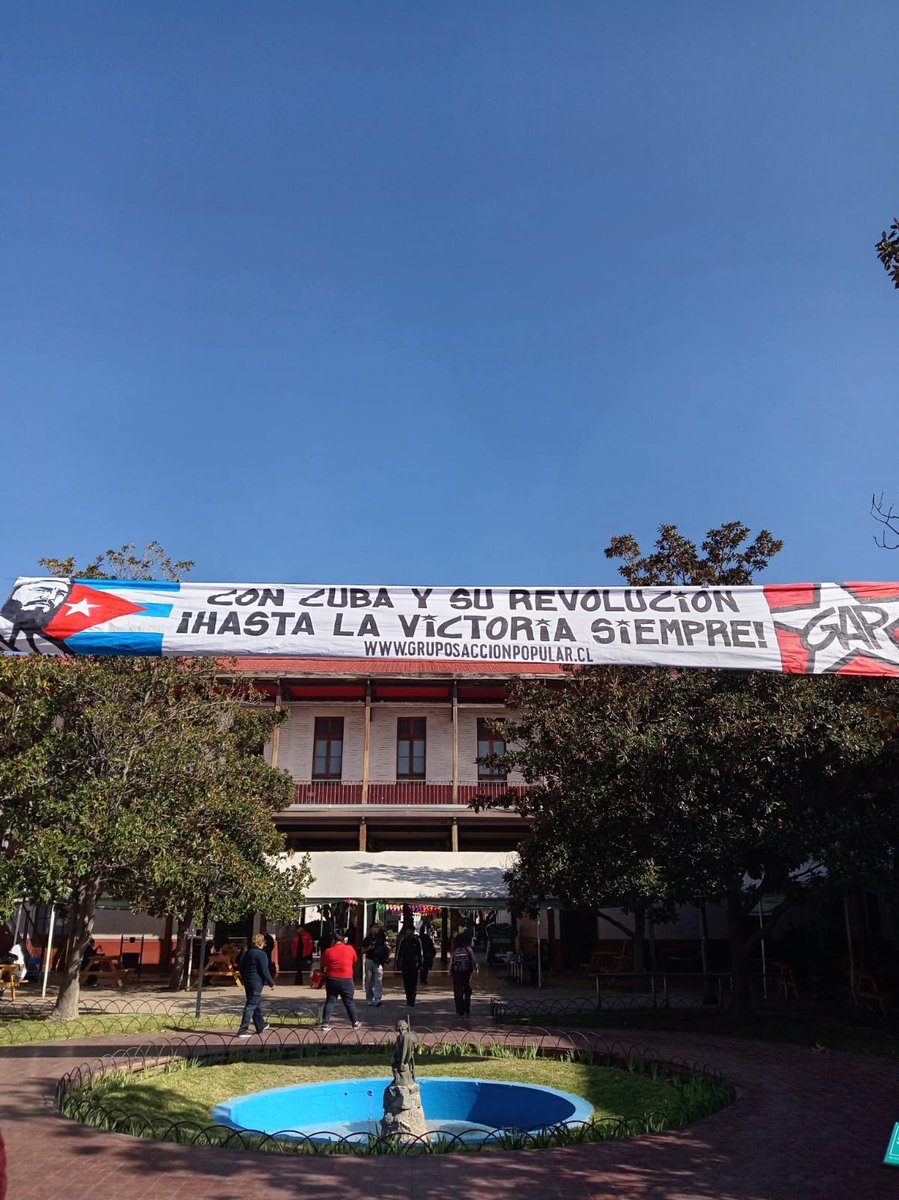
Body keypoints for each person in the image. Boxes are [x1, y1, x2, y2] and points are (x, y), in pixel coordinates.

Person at [320, 929, 361, 1031]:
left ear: (333, 940)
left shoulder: (328, 951)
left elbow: (323, 964)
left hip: (332, 979)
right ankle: (355, 1023)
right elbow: (355, 960)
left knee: (330, 1001)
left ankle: (325, 1023)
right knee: (349, 1001)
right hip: (347, 979)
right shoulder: (350, 949)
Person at [236, 933, 275, 1038]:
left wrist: (244, 978)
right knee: (251, 1005)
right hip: (256, 982)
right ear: (261, 943)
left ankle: (260, 1026)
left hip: (247, 981)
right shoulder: (262, 954)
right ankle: (243, 1030)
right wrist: (271, 983)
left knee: (255, 1004)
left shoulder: (247, 953)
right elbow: (265, 970)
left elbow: (241, 967)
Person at [362, 923, 390, 1006]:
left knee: (378, 980)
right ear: (371, 929)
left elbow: (386, 948)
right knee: (369, 981)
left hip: (378, 961)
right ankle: (369, 999)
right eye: (374, 927)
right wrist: (369, 948)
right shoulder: (367, 939)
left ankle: (378, 998)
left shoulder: (382, 938)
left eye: (377, 927)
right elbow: (362, 951)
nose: (376, 929)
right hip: (370, 960)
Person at [395, 926, 423, 1008]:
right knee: (406, 982)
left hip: (414, 965)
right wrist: (397, 963)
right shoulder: (403, 940)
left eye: (410, 930)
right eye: (407, 930)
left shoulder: (417, 940)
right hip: (405, 964)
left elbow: (420, 953)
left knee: (413, 983)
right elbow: (399, 952)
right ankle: (408, 998)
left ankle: (412, 1000)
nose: (408, 932)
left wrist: (420, 964)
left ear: (413, 931)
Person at [450, 933, 477, 1017]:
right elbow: (474, 959)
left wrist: (449, 971)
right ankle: (467, 1007)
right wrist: (475, 968)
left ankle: (459, 1009)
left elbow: (451, 961)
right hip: (467, 972)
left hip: (457, 973)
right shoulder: (468, 948)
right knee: (467, 989)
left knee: (458, 990)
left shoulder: (455, 950)